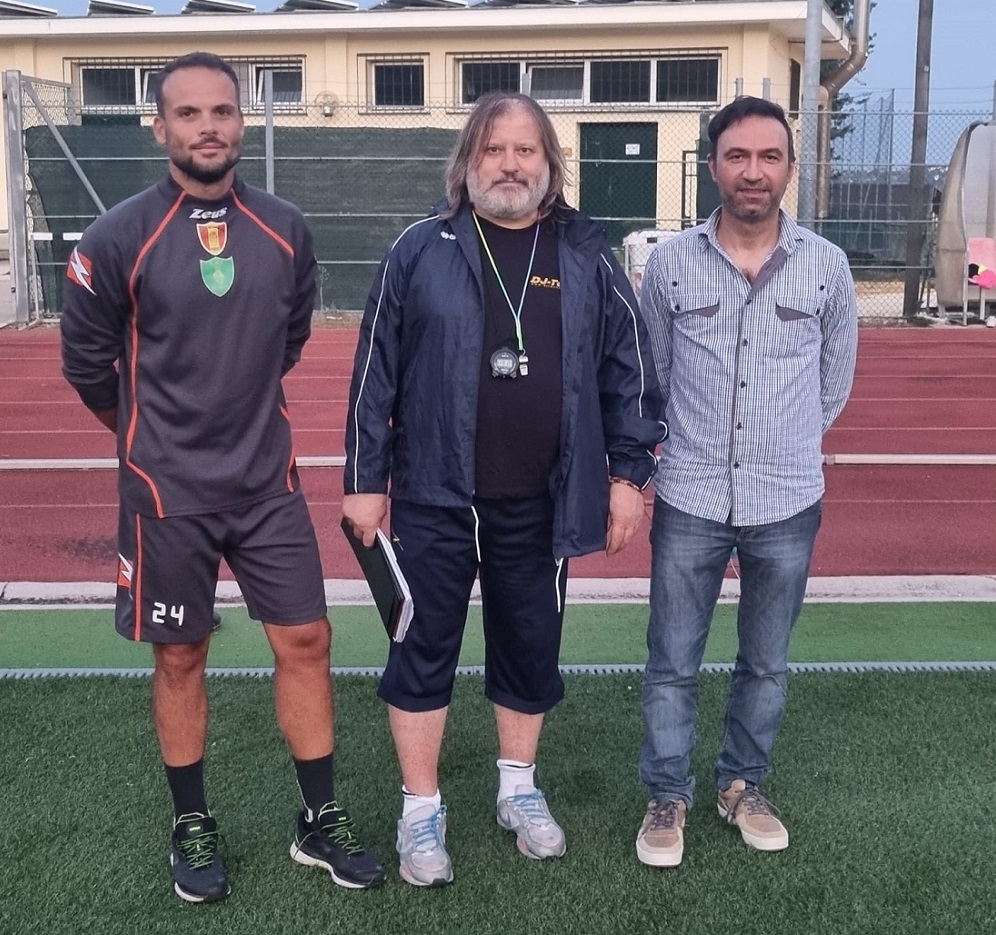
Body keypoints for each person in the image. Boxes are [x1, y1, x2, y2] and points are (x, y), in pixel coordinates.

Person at [60, 51, 384, 903]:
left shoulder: (284, 227)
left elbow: (290, 337)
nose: (208, 127)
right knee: (181, 654)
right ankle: (191, 821)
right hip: (166, 492)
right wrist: (149, 438)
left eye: (223, 111)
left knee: (306, 640)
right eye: (189, 113)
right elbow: (87, 365)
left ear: (242, 122)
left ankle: (318, 818)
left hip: (266, 484)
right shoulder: (116, 236)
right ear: (158, 127)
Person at [343, 91, 667, 887]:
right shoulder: (419, 248)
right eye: (494, 149)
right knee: (419, 648)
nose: (510, 165)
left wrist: (628, 474)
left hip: (543, 500)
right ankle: (420, 807)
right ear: (468, 162)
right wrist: (363, 481)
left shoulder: (585, 252)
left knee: (529, 644)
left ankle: (517, 788)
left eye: (526, 150)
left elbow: (629, 369)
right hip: (435, 495)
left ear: (550, 164)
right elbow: (373, 371)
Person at [635, 96, 858, 867]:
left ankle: (740, 784)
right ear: (712, 167)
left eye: (768, 156)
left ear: (789, 168)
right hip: (690, 493)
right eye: (736, 156)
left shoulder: (826, 267)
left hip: (787, 498)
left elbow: (832, 382)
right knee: (671, 660)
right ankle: (666, 793)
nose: (752, 171)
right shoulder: (670, 264)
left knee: (765, 660)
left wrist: (782, 443)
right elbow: (653, 375)